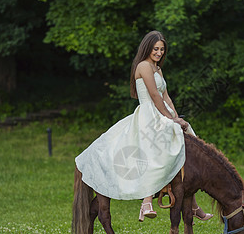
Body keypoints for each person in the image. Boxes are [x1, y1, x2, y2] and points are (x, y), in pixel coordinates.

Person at [75, 30, 213, 222]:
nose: (159, 53)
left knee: (185, 140)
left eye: (162, 49)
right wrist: (170, 119)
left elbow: (165, 97)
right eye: (156, 49)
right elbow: (155, 96)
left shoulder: (157, 69)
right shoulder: (144, 66)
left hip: (161, 111)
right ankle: (146, 200)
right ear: (147, 48)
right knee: (157, 144)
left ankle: (193, 204)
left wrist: (176, 116)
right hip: (149, 113)